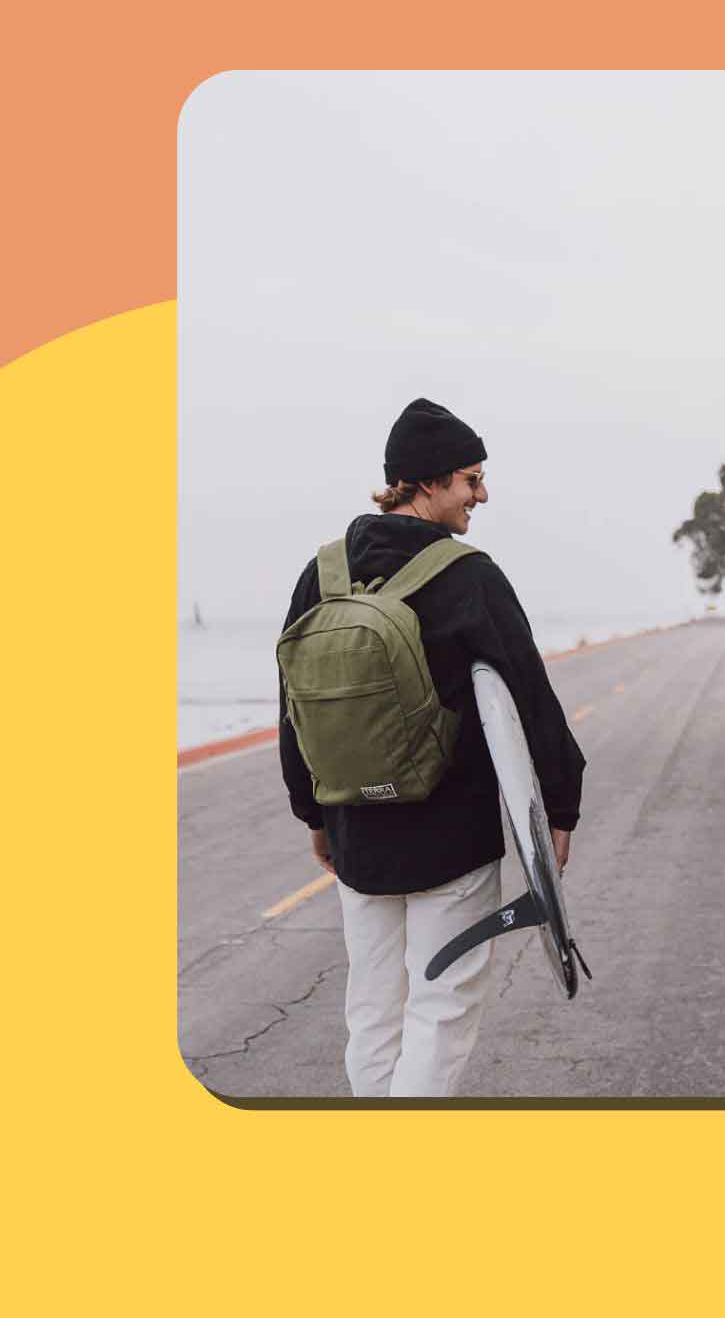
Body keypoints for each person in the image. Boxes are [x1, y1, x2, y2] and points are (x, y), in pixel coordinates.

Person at [278, 397, 585, 1097]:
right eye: (470, 479)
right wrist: (557, 812)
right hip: (451, 841)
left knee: (373, 1014)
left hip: (356, 831)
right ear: (425, 483)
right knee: (441, 1010)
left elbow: (294, 707)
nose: (482, 494)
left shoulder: (319, 574)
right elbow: (531, 702)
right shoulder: (468, 575)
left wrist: (314, 817)